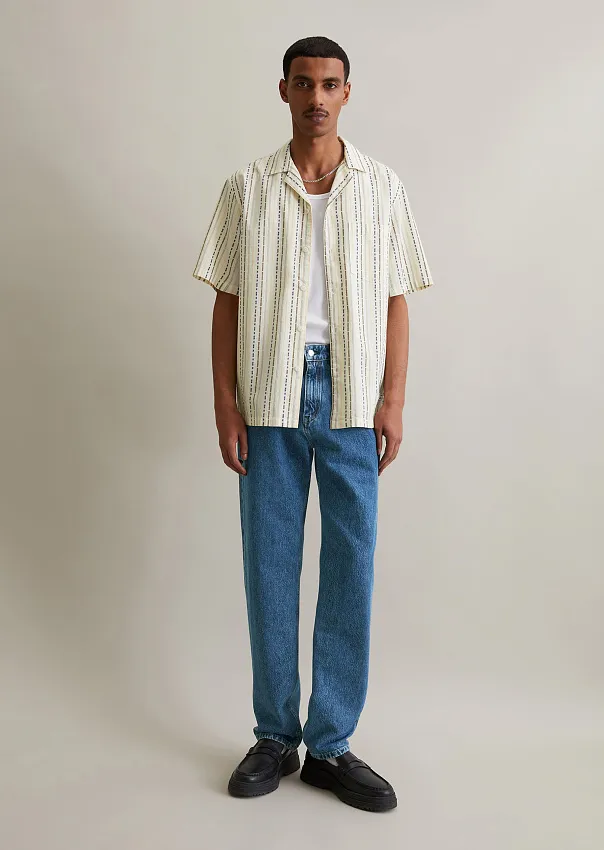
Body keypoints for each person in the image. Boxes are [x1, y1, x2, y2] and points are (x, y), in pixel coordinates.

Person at [191, 35, 434, 813]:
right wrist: (225, 402)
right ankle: (275, 735)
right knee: (269, 562)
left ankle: (330, 744)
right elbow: (226, 299)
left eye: (330, 84)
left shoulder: (382, 187)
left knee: (351, 564)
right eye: (304, 84)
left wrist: (394, 399)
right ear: (285, 91)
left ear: (347, 93)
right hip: (269, 389)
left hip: (354, 393)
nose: (317, 98)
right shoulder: (247, 188)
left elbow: (397, 299)